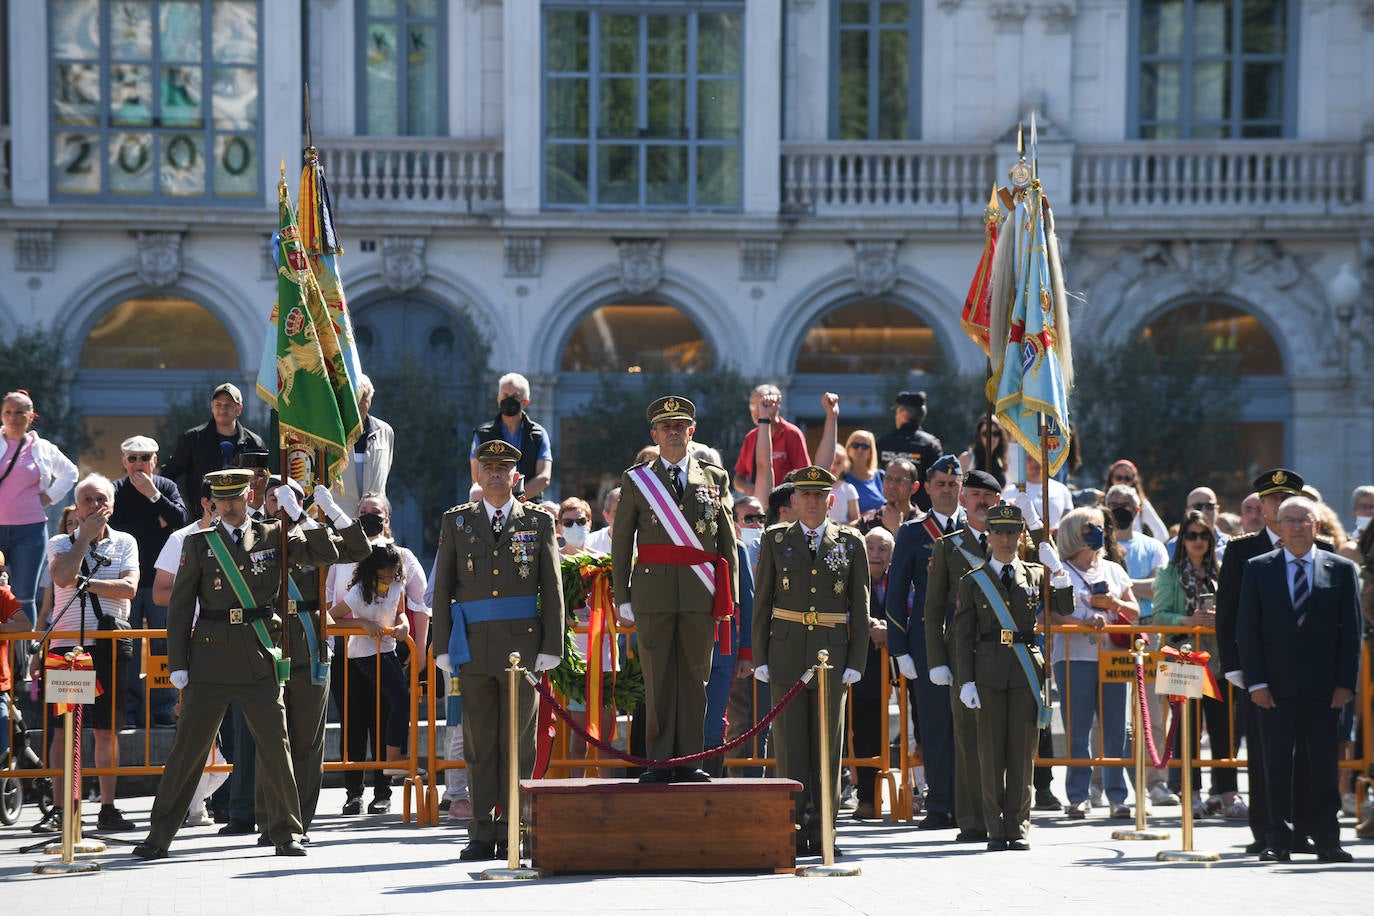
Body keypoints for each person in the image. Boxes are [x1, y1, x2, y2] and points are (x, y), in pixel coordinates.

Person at [131, 470, 347, 860]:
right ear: (212, 501)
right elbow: (180, 608)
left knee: (275, 747)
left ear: (250, 495)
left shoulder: (274, 535)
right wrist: (177, 661)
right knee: (187, 751)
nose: (229, 506)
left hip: (259, 655)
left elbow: (326, 554)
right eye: (221, 499)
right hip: (209, 658)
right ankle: (158, 835)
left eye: (236, 497)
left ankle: (286, 833)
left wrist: (301, 516)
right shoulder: (198, 543)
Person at [431, 440, 564, 861]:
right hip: (471, 647)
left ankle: (515, 829)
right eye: (487, 467)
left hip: (522, 648)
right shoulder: (457, 522)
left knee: (519, 744)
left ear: (515, 476)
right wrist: (441, 645)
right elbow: (443, 590)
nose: (494, 474)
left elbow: (552, 588)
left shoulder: (538, 522)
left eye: (502, 468)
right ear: (477, 474)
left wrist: (552, 644)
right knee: (479, 741)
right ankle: (482, 832)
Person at [611, 396, 737, 785]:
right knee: (658, 678)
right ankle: (661, 760)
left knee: (695, 677)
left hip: (699, 592)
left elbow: (726, 543)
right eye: (666, 427)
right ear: (654, 434)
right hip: (653, 593)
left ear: (691, 432)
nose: (673, 432)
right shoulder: (637, 480)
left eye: (680, 426)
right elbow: (621, 543)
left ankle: (691, 759)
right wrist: (623, 596)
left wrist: (726, 596)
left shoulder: (714, 478)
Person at [752, 466, 869, 856]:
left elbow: (861, 604)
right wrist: (761, 655)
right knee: (790, 745)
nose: (813, 501)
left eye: (820, 495)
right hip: (786, 651)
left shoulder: (851, 542)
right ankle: (793, 826)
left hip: (832, 653)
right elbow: (762, 602)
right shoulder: (774, 539)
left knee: (827, 745)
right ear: (795, 501)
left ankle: (825, 831)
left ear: (830, 501)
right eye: (806, 495)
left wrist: (857, 657)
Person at [1237, 496, 1360, 863]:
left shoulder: (1340, 569)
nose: (1295, 526)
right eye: (1287, 520)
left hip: (1325, 691)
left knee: (1323, 766)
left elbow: (1351, 633)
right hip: (1273, 690)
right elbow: (1248, 630)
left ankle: (1326, 838)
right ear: (1278, 526)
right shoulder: (1259, 568)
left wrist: (1345, 684)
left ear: (1316, 526)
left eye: (1303, 520)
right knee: (1276, 766)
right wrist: (1255, 683)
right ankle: (1277, 838)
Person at [1216, 467, 1330, 853]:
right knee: (1265, 756)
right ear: (1262, 508)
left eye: (1288, 499)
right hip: (1260, 671)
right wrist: (1234, 666)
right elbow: (1228, 613)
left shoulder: (1323, 549)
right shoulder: (1242, 549)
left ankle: (1306, 830)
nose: (1281, 505)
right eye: (1273, 500)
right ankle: (1267, 831)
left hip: (1313, 675)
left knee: (1310, 756)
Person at [955, 505, 1072, 851]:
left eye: (1012, 533)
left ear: (1021, 536)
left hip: (1025, 672)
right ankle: (995, 827)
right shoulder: (973, 580)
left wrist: (1059, 571)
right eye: (999, 532)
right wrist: (966, 681)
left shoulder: (1037, 575)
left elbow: (1063, 608)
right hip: (988, 671)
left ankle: (1018, 825)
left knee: (1023, 752)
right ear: (988, 536)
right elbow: (962, 636)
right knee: (990, 753)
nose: (1005, 539)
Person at [36, 474, 139, 835]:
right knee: (65, 730)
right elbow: (62, 578)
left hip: (109, 646)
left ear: (111, 505)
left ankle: (107, 806)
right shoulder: (61, 541)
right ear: (77, 507)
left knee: (106, 730)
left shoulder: (126, 542)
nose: (94, 506)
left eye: (101, 500)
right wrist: (82, 538)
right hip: (68, 648)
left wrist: (87, 583)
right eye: (87, 501)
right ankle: (62, 808)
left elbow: (128, 589)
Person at [326, 493, 427, 818]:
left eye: (376, 513)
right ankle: (353, 791)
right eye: (363, 513)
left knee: (389, 712)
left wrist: (413, 639)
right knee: (352, 721)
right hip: (350, 651)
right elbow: (329, 603)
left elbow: (416, 604)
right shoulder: (341, 553)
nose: (369, 518)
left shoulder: (402, 557)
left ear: (388, 519)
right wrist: (358, 624)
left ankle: (383, 788)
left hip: (386, 649)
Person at [1045, 505, 1140, 820]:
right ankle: (1077, 796)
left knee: (1116, 729)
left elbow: (1135, 611)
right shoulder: (1059, 570)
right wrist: (1081, 622)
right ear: (1074, 532)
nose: (1097, 532)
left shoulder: (1113, 569)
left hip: (1114, 655)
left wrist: (1114, 604)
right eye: (1090, 527)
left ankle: (1118, 797)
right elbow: (1048, 612)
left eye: (1100, 527)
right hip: (1074, 656)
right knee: (1078, 729)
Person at [1150, 510, 1245, 818]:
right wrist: (1188, 620)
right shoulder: (1169, 572)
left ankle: (1229, 795)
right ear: (1182, 540)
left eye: (1204, 535)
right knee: (1186, 730)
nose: (1198, 541)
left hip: (1218, 659)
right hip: (1180, 658)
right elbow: (1159, 616)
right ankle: (1191, 794)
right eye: (1191, 535)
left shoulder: (1220, 571)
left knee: (1223, 730)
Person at [886, 454, 961, 834]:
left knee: (966, 725)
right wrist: (900, 648)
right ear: (927, 488)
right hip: (925, 644)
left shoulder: (975, 529)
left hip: (966, 642)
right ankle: (939, 804)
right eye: (940, 484)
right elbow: (896, 594)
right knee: (932, 727)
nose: (947, 491)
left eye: (953, 484)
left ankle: (967, 802)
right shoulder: (915, 533)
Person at [110, 434, 187, 729]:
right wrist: (156, 524)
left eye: (145, 458)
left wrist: (154, 496)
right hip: (125, 581)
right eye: (133, 458)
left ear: (155, 460)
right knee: (127, 649)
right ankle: (128, 710)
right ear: (124, 461)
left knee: (163, 646)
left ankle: (164, 708)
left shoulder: (166, 487)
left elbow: (181, 519)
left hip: (160, 582)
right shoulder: (115, 489)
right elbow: (117, 529)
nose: (139, 464)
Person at [1104, 483, 1171, 806]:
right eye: (1113, 502)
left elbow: (1159, 586)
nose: (1120, 507)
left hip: (1148, 631)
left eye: (1126, 503)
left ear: (1138, 508)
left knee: (1154, 713)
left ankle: (1156, 782)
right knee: (1105, 713)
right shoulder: (1098, 544)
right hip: (1109, 633)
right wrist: (1130, 591)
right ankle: (1097, 782)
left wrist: (1118, 589)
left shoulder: (1154, 546)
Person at [0, 391, 78, 656]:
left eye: (19, 412)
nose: (13, 417)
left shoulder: (42, 447)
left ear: (31, 417)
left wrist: (49, 497)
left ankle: (21, 663)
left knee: (24, 596)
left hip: (30, 529)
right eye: (8, 411)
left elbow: (71, 473)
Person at [334, 542, 411, 775]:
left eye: (392, 574)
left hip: (387, 647)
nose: (388, 579)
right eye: (383, 575)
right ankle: (393, 757)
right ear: (371, 572)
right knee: (399, 698)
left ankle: (396, 756)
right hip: (365, 653)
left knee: (402, 699)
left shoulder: (397, 583)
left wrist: (404, 625)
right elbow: (329, 620)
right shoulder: (358, 592)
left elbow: (400, 611)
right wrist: (360, 622)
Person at [162, 383, 268, 510]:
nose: (222, 409)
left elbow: (265, 479)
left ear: (239, 409)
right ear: (212, 406)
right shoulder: (193, 439)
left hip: (242, 517)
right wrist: (178, 505)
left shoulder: (254, 443)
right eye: (218, 404)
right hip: (202, 518)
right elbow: (168, 474)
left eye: (228, 405)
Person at [850, 527, 893, 820]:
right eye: (870, 547)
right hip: (853, 666)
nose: (875, 555)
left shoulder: (900, 579)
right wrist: (865, 627)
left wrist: (890, 632)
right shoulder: (850, 575)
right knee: (858, 732)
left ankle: (876, 797)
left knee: (876, 732)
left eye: (882, 550)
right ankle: (861, 796)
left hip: (892, 668)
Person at [469, 372, 552, 501]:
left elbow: (544, 477)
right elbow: (477, 477)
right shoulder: (482, 434)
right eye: (505, 395)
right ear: (498, 399)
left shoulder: (538, 435)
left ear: (525, 402)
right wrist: (502, 501)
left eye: (515, 396)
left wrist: (515, 500)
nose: (509, 400)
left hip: (529, 506)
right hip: (493, 506)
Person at [732, 384, 810, 497]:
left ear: (777, 405)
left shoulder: (791, 434)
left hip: (784, 505)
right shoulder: (751, 437)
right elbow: (738, 479)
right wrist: (747, 487)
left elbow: (804, 475)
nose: (757, 411)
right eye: (752, 406)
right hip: (757, 504)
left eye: (762, 405)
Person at [337, 374, 395, 509]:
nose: (360, 401)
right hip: (339, 517)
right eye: (356, 395)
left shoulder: (385, 431)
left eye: (365, 396)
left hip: (373, 516)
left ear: (371, 400)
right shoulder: (333, 431)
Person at [876, 391, 943, 476]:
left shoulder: (883, 442)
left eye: (896, 413)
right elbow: (936, 479)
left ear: (903, 414)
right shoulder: (931, 445)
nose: (895, 417)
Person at [1003, 454, 1072, 533]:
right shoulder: (1010, 491)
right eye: (1029, 459)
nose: (1034, 463)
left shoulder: (1061, 489)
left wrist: (1058, 530)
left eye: (1039, 458)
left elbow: (1069, 522)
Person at [1103, 459, 1167, 540]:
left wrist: (1150, 548)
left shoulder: (1142, 504)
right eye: (1118, 478)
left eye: (1127, 478)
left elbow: (1162, 534)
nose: (1123, 482)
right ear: (1111, 479)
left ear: (1133, 481)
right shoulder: (1101, 503)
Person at [858, 458, 920, 536]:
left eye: (899, 480)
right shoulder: (867, 522)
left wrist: (896, 529)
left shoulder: (922, 524)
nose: (891, 485)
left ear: (914, 487)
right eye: (888, 478)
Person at [958, 416, 1008, 488]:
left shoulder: (1001, 461)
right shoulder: (967, 459)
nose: (991, 438)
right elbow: (957, 489)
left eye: (995, 433)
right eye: (986, 434)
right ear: (979, 436)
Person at [842, 430, 884, 515]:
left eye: (865, 446)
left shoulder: (882, 476)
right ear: (848, 450)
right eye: (855, 445)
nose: (860, 449)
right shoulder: (842, 478)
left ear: (871, 452)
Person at [584, 487, 620, 555]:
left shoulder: (642, 541)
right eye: (617, 513)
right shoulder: (590, 542)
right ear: (606, 515)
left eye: (627, 513)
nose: (623, 517)